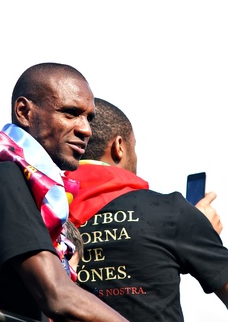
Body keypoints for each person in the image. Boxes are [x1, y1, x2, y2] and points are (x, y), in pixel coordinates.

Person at [0, 64, 128, 321]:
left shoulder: (9, 176)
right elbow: (57, 295)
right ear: (24, 112)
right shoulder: (1, 177)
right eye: (71, 113)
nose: (86, 130)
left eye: (89, 118)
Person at [66, 98, 228, 321]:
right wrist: (199, 229)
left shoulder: (39, 206)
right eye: (134, 147)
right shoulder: (170, 212)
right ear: (119, 147)